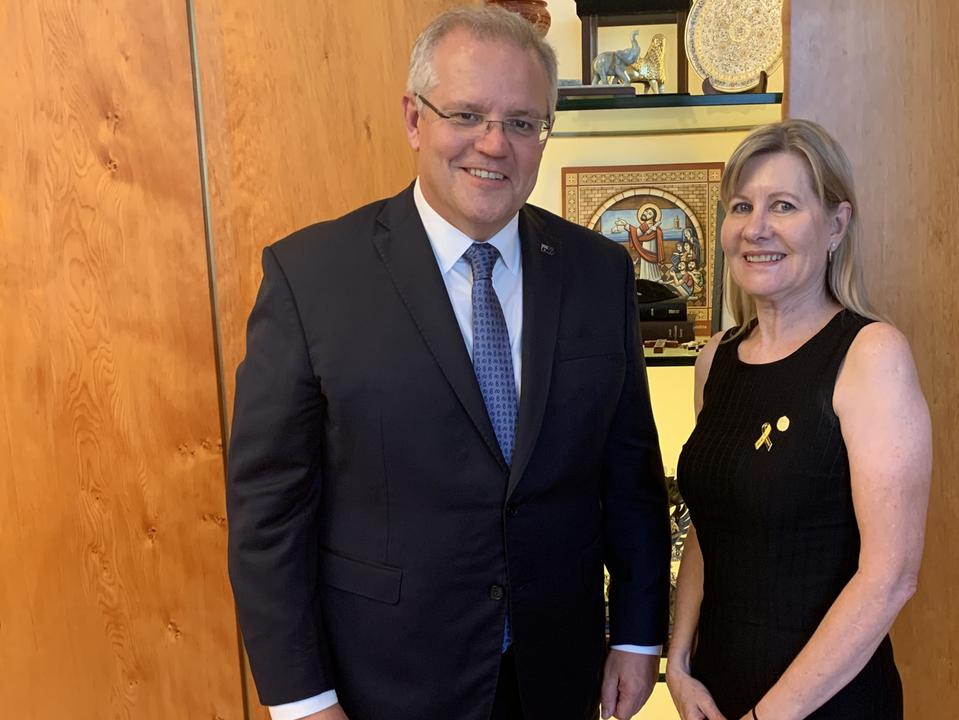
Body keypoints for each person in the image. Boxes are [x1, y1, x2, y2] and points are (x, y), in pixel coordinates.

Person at [225, 7, 670, 720]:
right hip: (383, 682)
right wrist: (302, 699)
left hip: (560, 673)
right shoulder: (310, 278)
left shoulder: (599, 273)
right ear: (413, 119)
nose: (494, 145)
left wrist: (642, 636)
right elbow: (269, 516)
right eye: (467, 113)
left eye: (524, 123)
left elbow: (632, 478)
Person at [666, 119, 932, 720]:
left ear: (836, 226)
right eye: (742, 206)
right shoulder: (717, 360)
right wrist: (679, 665)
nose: (756, 228)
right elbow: (711, 527)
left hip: (826, 705)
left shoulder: (871, 355)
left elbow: (890, 577)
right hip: (714, 694)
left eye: (783, 206)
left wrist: (770, 716)